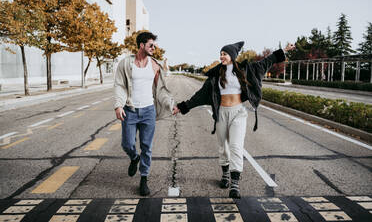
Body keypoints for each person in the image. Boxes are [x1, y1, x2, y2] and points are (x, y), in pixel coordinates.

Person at [173, 41, 294, 198]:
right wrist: (183, 107)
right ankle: (225, 175)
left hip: (238, 113)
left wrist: (283, 50)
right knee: (223, 147)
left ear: (233, 56)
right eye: (221, 54)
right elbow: (200, 95)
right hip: (221, 113)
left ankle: (235, 185)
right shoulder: (216, 74)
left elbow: (266, 62)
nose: (222, 56)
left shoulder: (246, 69)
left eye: (225, 54)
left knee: (236, 147)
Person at [114, 31, 174, 196]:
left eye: (154, 45)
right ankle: (134, 157)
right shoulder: (126, 64)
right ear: (141, 45)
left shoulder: (154, 65)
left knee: (147, 147)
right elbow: (119, 85)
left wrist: (170, 104)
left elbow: (160, 89)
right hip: (130, 110)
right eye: (151, 45)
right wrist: (118, 105)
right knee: (127, 144)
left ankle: (144, 179)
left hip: (148, 111)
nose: (154, 48)